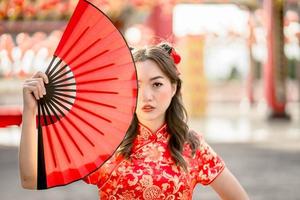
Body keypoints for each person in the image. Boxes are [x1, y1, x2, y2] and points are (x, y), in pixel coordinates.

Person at [19, 42, 249, 199]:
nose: (147, 96)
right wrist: (30, 113)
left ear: (174, 87)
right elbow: (30, 178)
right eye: (136, 86)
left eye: (157, 84)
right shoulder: (105, 142)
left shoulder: (191, 145)